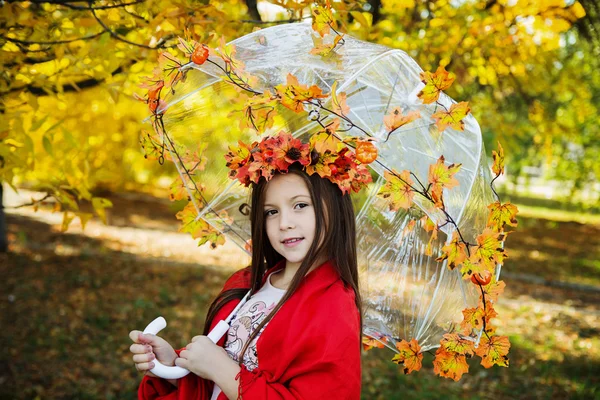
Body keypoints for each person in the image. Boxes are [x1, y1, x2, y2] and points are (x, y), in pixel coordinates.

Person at [128, 154, 363, 399]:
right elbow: (220, 370)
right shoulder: (248, 282)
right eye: (271, 211)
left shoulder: (334, 307)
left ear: (334, 208)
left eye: (300, 205)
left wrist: (222, 370)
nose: (284, 223)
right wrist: (175, 364)